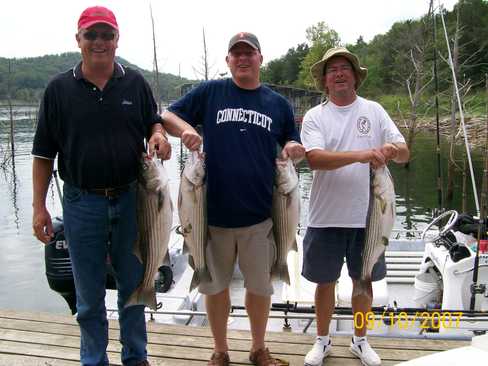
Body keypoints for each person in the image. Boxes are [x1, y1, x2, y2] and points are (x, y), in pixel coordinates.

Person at [31, 6, 170, 366]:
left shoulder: (135, 83)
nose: (99, 42)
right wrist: (38, 207)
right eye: (91, 35)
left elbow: (153, 124)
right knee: (89, 297)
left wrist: (158, 137)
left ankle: (136, 357)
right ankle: (93, 360)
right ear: (78, 40)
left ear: (117, 39)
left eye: (106, 35)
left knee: (134, 289)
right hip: (81, 204)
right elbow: (43, 154)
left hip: (132, 200)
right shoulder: (59, 90)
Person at [162, 32, 305, 366]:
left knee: (260, 288)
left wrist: (294, 148)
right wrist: (185, 130)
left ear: (260, 58)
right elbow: (167, 116)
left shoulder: (277, 104)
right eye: (236, 54)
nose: (242, 58)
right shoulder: (211, 92)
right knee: (214, 288)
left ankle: (258, 348)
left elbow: (291, 143)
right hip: (212, 216)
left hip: (261, 216)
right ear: (227, 61)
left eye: (249, 53)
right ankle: (220, 350)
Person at [300, 47, 410, 366]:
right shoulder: (315, 116)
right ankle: (322, 341)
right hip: (325, 216)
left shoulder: (374, 110)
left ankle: (360, 341)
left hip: (369, 219)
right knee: (325, 282)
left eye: (344, 68)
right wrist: (362, 154)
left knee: (364, 281)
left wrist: (392, 149)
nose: (338, 73)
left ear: (355, 76)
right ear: (325, 80)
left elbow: (404, 153)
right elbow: (315, 159)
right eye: (332, 69)